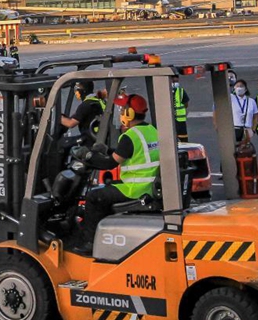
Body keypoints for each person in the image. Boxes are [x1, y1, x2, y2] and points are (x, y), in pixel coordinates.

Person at [77, 94, 160, 254]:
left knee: (94, 197)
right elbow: (127, 154)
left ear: (130, 113)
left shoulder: (130, 136)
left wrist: (88, 156)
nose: (121, 112)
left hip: (135, 189)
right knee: (108, 188)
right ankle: (106, 232)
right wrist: (107, 150)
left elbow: (110, 163)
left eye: (123, 109)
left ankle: (89, 243)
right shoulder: (150, 130)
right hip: (149, 187)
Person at [61, 81, 107, 148]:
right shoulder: (97, 101)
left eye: (78, 89)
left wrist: (57, 117)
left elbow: (70, 123)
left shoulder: (85, 105)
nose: (76, 92)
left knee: (62, 144)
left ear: (84, 91)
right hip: (98, 136)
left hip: (89, 139)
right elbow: (77, 115)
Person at [230, 79, 258, 145]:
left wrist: (253, 129)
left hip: (247, 129)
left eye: (241, 86)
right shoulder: (231, 98)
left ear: (245, 89)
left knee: (247, 149)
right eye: (237, 86)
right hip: (235, 128)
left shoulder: (251, 101)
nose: (239, 88)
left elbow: (256, 116)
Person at [171, 75, 190, 142]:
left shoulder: (165, 90)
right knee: (183, 140)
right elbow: (186, 104)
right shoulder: (181, 91)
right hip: (180, 121)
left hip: (172, 120)